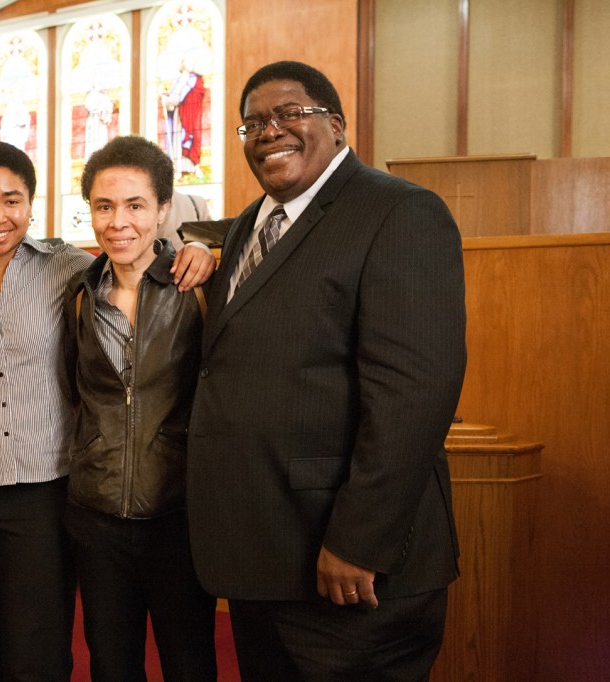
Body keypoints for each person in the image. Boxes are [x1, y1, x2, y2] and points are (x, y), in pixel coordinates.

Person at [186, 61, 467, 681]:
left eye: (291, 113)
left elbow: (413, 394)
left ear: (337, 125)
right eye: (253, 123)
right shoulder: (247, 227)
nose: (269, 131)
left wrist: (359, 542)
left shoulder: (400, 212)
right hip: (265, 556)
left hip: (348, 569)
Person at [0, 141, 214, 681]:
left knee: (175, 660)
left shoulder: (91, 273)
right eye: (105, 207)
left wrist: (201, 245)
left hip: (129, 499)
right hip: (13, 493)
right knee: (8, 647)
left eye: (11, 199)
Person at [65, 135, 217, 681]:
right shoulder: (80, 295)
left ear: (162, 210)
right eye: (104, 207)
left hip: (178, 517)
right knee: (111, 664)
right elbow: (73, 389)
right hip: (97, 516)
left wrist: (203, 245)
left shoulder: (197, 286)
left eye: (134, 205)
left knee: (189, 662)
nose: (118, 222)